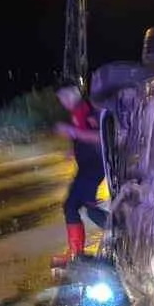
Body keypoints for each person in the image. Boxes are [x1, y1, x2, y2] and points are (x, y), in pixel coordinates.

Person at [52, 84, 106, 268]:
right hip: (87, 167)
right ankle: (77, 253)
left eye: (64, 97)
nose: (62, 102)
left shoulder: (86, 109)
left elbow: (100, 137)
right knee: (76, 206)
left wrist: (72, 132)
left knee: (74, 206)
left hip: (94, 166)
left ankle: (120, 231)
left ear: (74, 94)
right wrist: (72, 150)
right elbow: (79, 136)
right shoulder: (76, 111)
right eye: (60, 99)